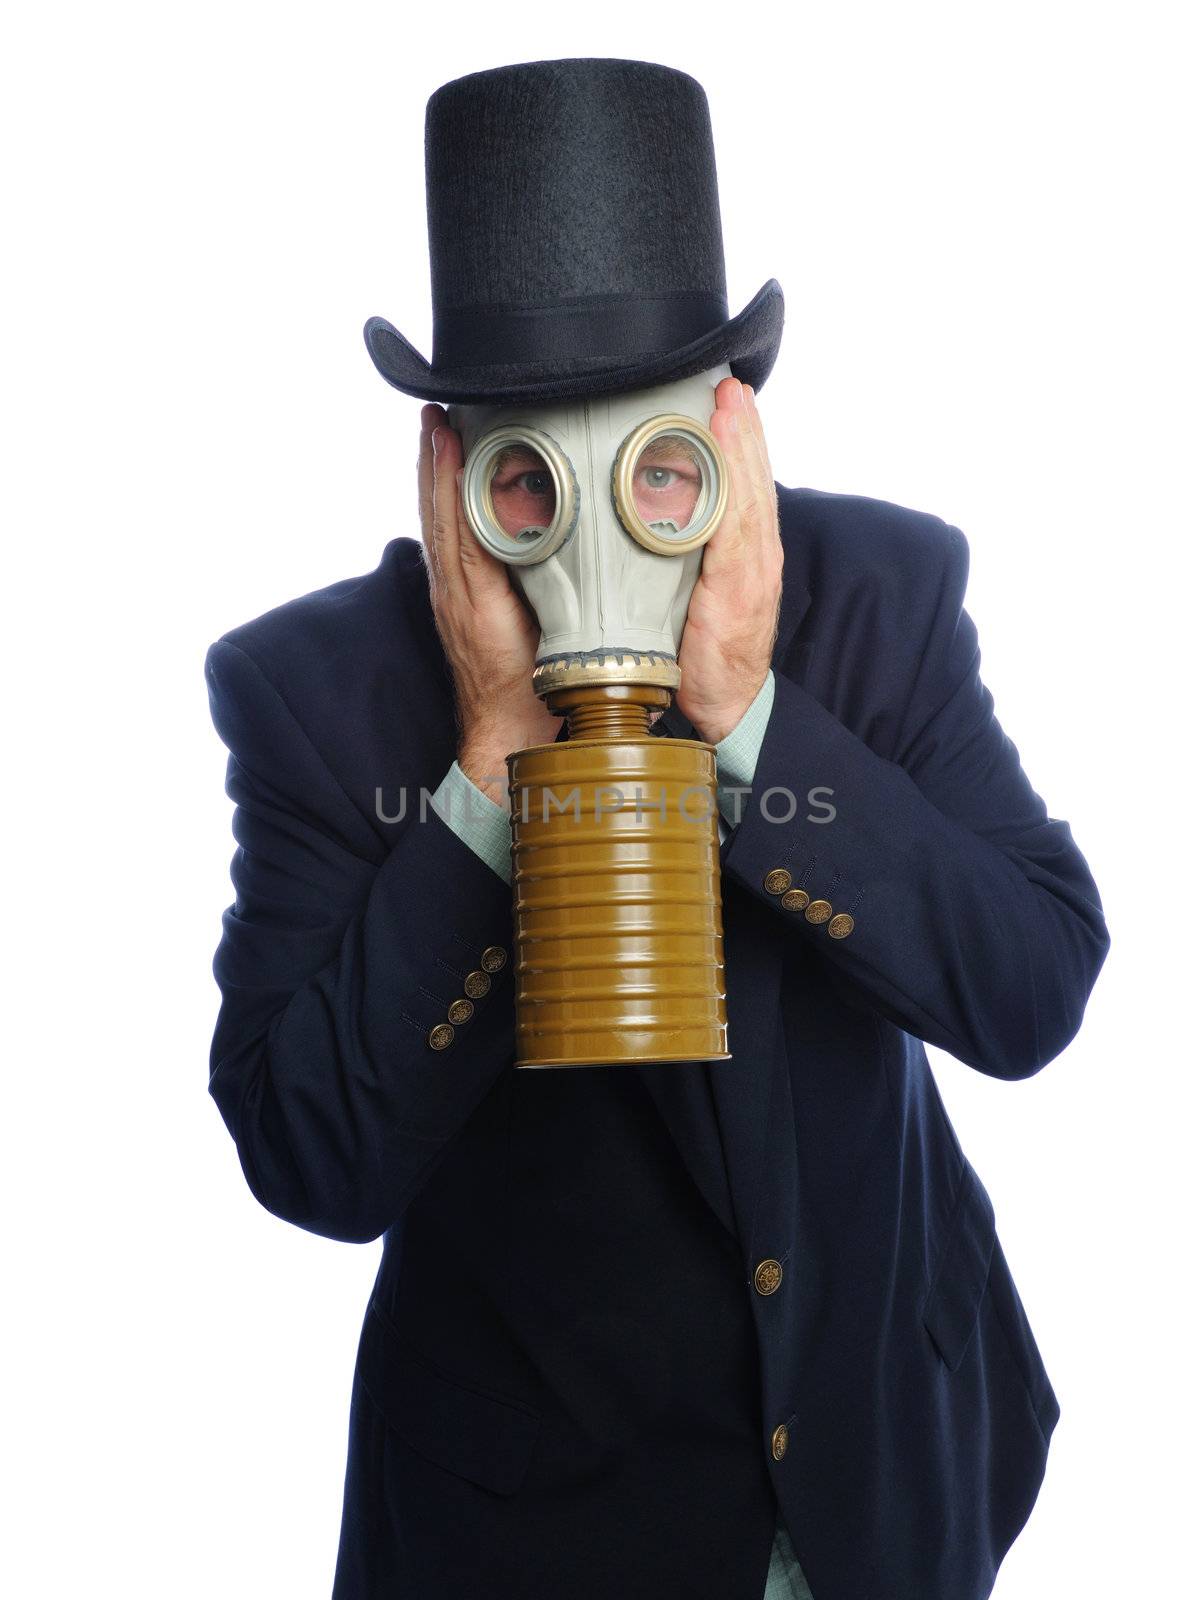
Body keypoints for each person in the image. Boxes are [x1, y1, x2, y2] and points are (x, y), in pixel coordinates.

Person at [204, 58, 1109, 1600]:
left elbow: (1030, 989)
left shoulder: (871, 600)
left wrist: (751, 711)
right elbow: (310, 1158)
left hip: (883, 1467)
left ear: (733, 433)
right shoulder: (322, 694)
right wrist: (494, 760)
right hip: (534, 1524)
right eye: (533, 482)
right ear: (451, 472)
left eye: (659, 472)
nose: (608, 535)